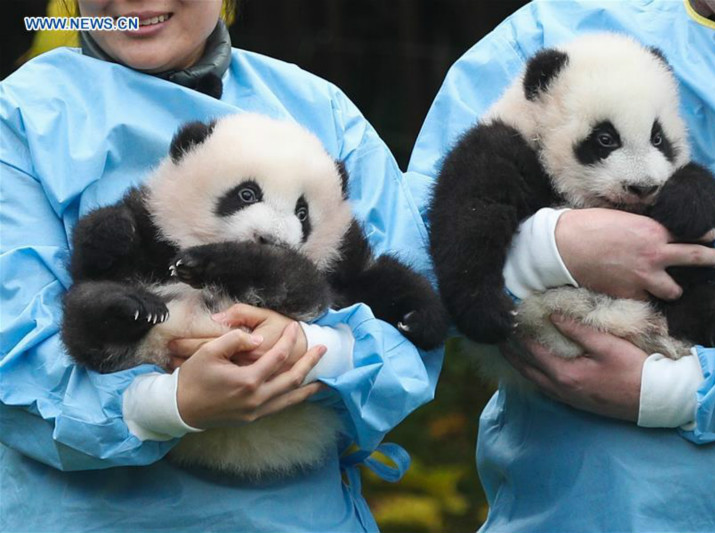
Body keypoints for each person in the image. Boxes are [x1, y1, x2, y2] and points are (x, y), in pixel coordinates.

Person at [0, 1, 442, 531]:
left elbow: (412, 332)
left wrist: (314, 351)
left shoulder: (320, 112)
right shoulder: (22, 119)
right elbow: (15, 362)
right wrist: (166, 404)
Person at [405, 0, 715, 531]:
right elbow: (404, 266)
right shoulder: (554, 30)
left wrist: (677, 392)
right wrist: (546, 250)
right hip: (569, 506)